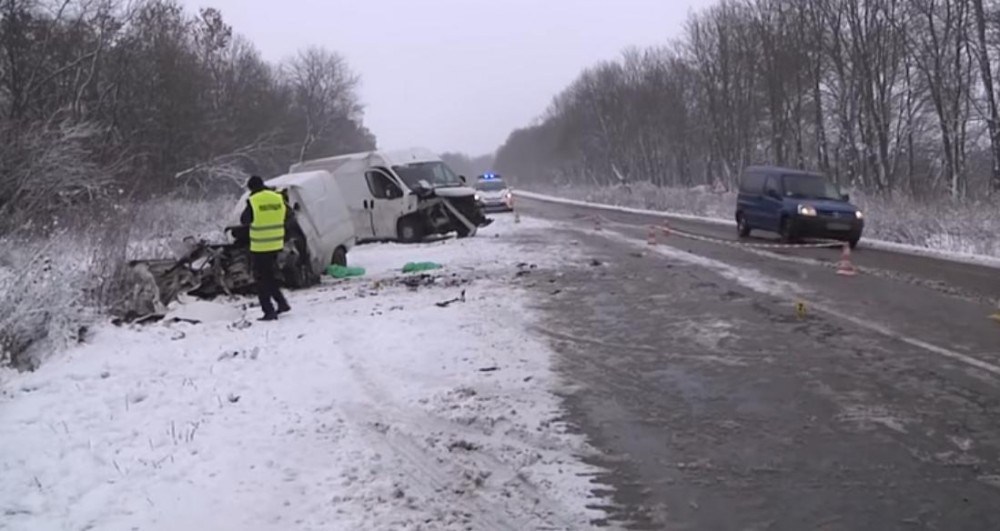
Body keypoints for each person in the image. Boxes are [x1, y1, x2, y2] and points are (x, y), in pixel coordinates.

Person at [241, 175, 291, 321]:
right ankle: (282, 304)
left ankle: (269, 311)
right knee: (269, 275)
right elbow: (288, 216)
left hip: (260, 245)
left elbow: (245, 220)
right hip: (276, 243)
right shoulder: (277, 197)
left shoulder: (253, 200)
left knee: (261, 279)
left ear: (251, 187)